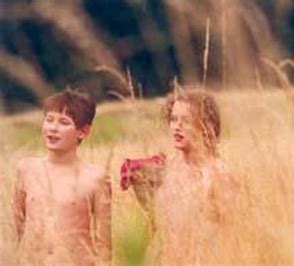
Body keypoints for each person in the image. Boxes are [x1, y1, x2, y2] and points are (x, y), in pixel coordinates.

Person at [121, 89, 239, 265]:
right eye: (173, 119)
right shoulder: (165, 168)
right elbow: (156, 227)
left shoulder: (218, 173)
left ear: (206, 125)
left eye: (186, 121)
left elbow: (233, 236)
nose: (177, 126)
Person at [11, 89, 112, 265]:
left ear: (83, 132)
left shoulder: (95, 178)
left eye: (64, 122)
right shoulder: (26, 169)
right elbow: (14, 230)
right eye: (49, 120)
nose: (53, 128)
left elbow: (105, 245)